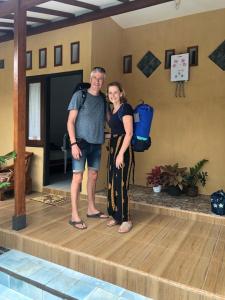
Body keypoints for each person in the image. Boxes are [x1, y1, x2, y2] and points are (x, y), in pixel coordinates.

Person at [67, 67, 108, 230]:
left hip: (96, 144)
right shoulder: (80, 95)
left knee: (93, 176)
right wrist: (73, 144)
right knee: (77, 178)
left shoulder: (104, 99)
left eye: (101, 79)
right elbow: (70, 122)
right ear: (90, 79)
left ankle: (91, 209)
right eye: (95, 78)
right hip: (80, 144)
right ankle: (74, 215)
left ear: (103, 81)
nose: (98, 81)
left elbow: (108, 120)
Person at [106, 82, 134, 233]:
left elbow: (128, 133)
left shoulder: (125, 108)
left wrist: (121, 154)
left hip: (122, 149)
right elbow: (116, 131)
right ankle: (117, 216)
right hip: (113, 148)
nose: (113, 95)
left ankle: (126, 219)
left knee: (121, 184)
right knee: (113, 182)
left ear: (121, 93)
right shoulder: (113, 108)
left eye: (115, 92)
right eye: (110, 93)